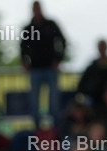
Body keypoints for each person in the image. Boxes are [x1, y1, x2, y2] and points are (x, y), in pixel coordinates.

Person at [21, 1, 67, 129]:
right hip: (35, 69)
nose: (37, 10)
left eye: (38, 8)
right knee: (34, 102)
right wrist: (25, 61)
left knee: (54, 102)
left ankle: (56, 130)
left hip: (50, 69)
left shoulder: (50, 24)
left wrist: (58, 59)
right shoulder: (28, 28)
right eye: (34, 8)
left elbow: (62, 40)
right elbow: (23, 46)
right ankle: (37, 130)